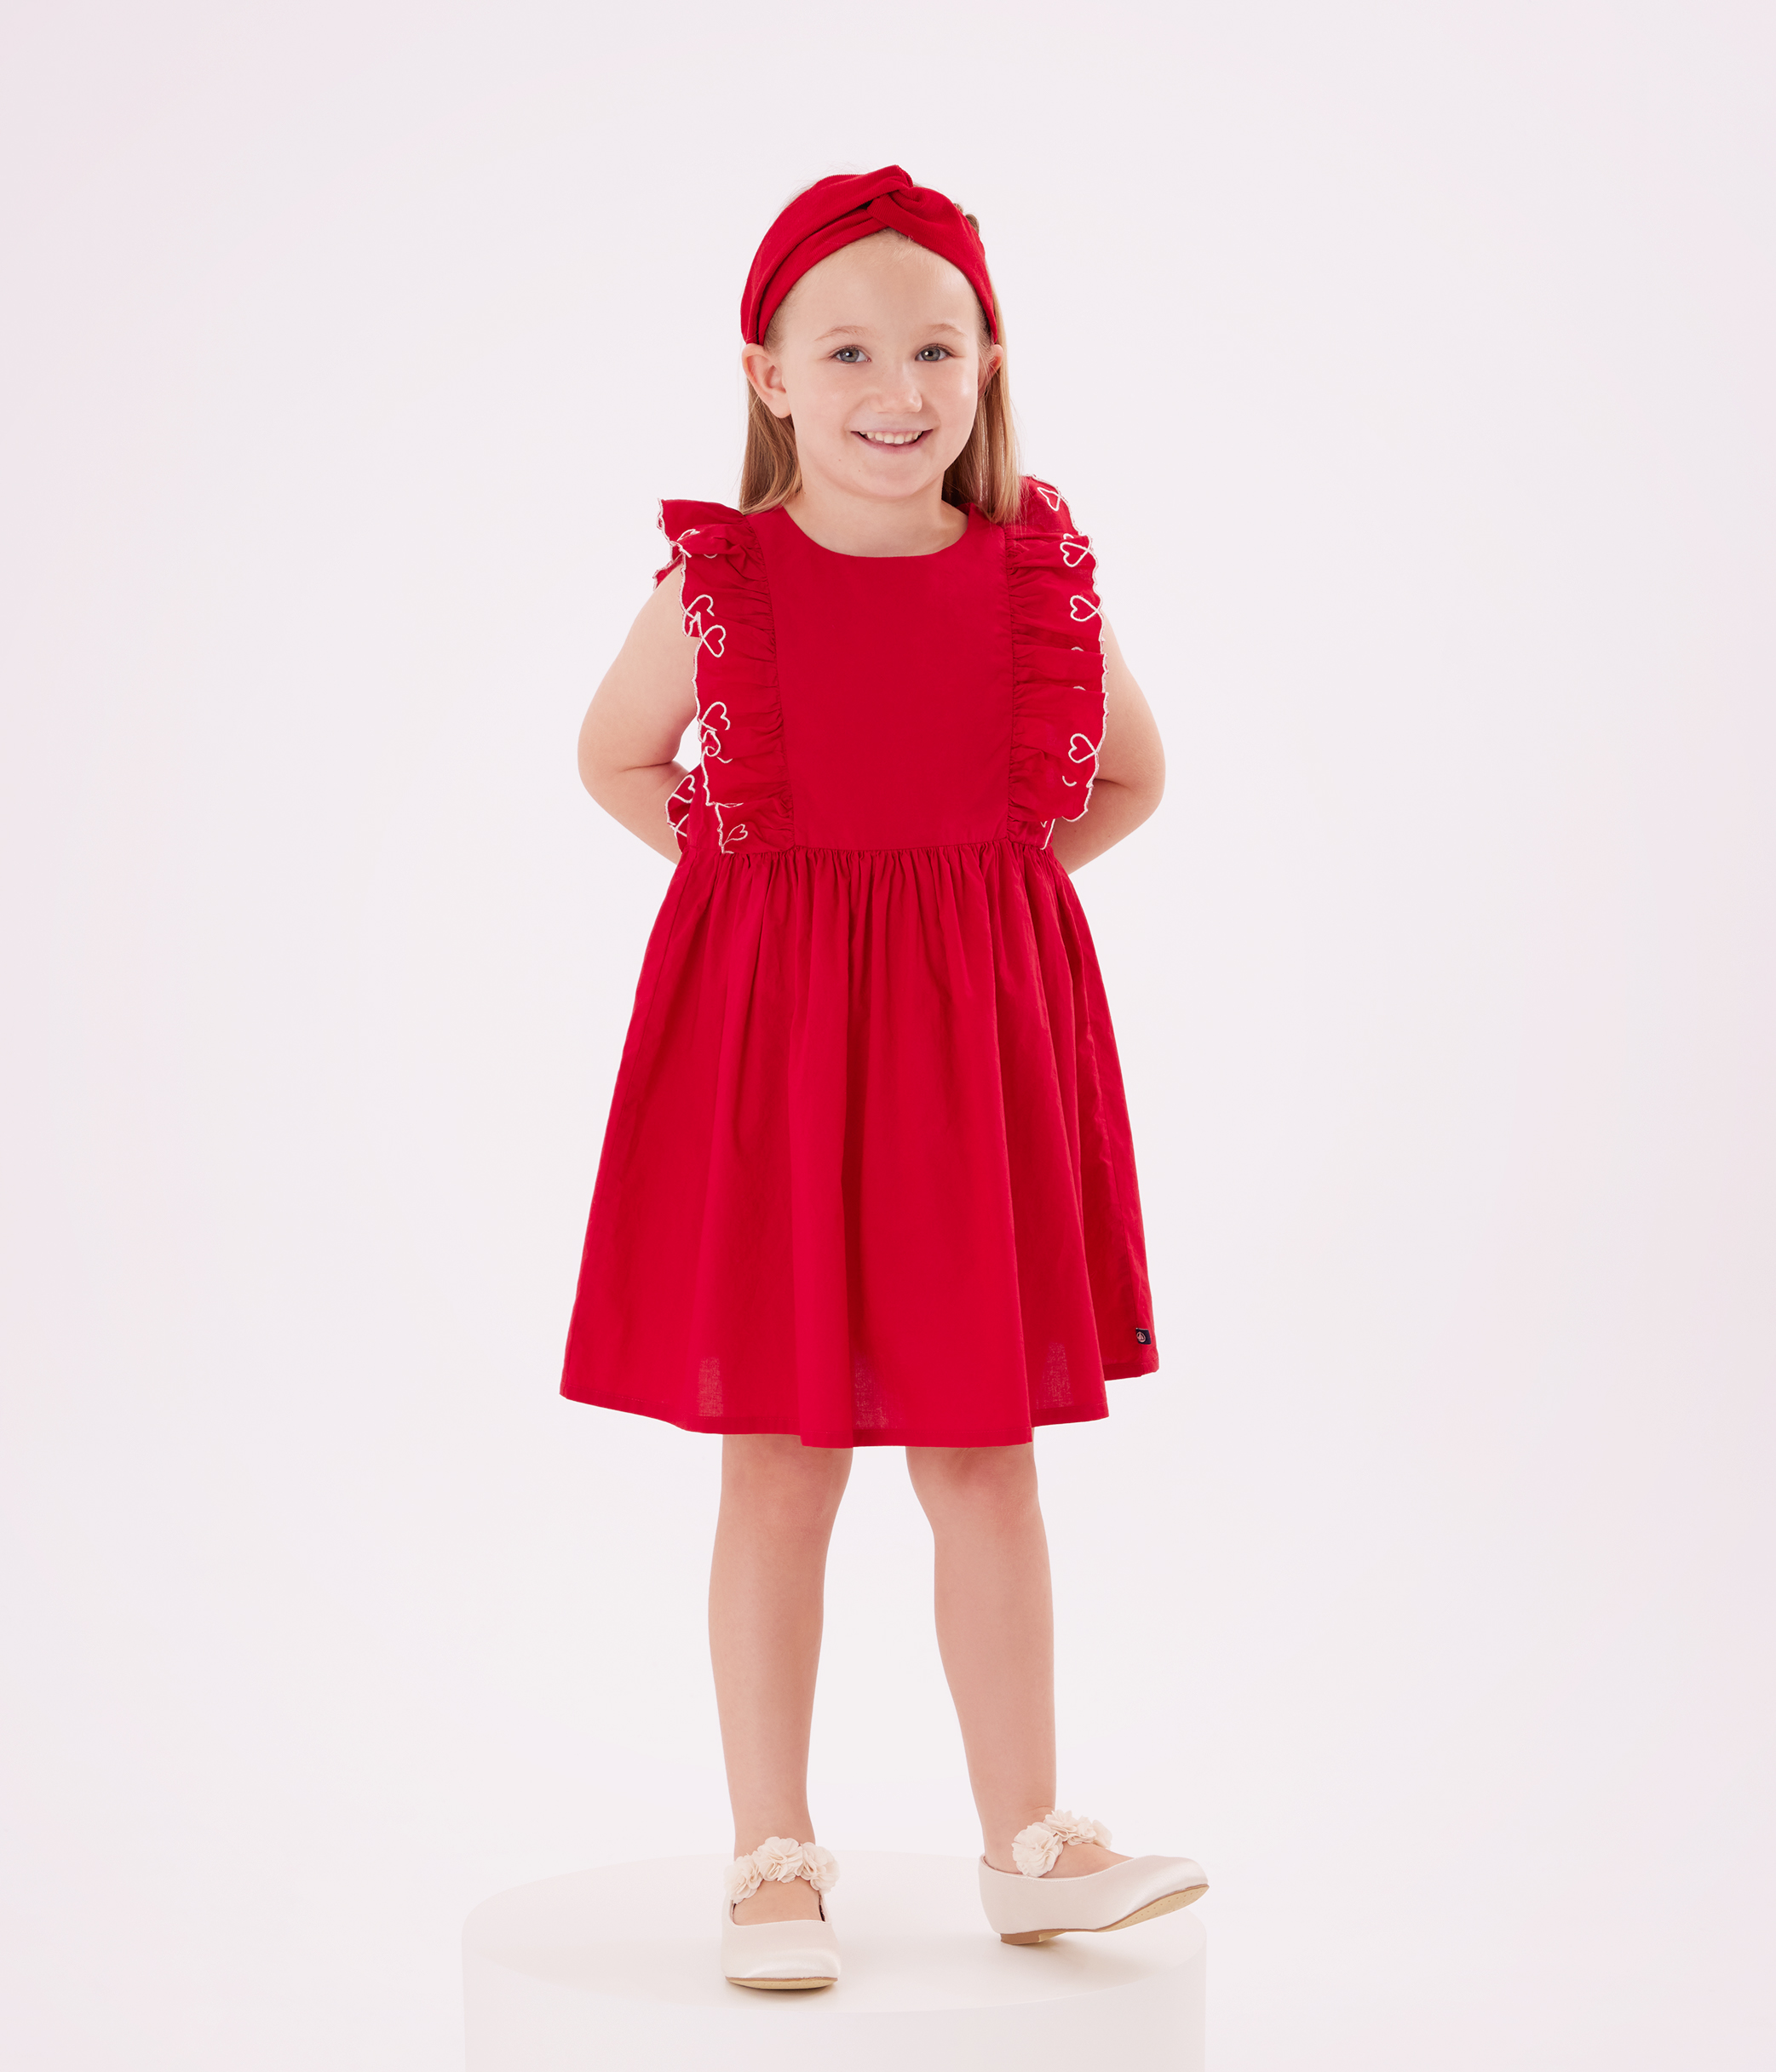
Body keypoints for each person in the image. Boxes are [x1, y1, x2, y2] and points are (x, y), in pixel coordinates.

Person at [563, 165, 1205, 1990]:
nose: (893, 386)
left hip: (967, 1068)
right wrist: (761, 885)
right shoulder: (725, 584)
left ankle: (1030, 1839)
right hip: (776, 1056)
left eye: (933, 347)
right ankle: (771, 1853)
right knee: (778, 1462)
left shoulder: (1028, 577)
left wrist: (978, 907)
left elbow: (1130, 774)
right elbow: (615, 756)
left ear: (986, 365)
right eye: (844, 349)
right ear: (768, 378)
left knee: (984, 1455)